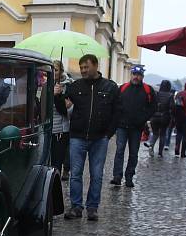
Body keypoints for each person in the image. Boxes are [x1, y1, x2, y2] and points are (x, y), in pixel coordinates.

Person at [55, 54, 120, 221]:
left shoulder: (110, 87)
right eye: (81, 67)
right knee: (75, 173)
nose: (83, 70)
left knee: (96, 174)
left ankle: (92, 207)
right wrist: (57, 96)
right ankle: (76, 206)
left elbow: (117, 112)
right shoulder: (75, 86)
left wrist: (108, 134)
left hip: (99, 138)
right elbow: (64, 109)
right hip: (77, 136)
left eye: (86, 67)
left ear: (96, 66)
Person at [111, 66, 156, 187]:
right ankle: (117, 176)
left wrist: (143, 118)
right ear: (131, 75)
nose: (136, 77)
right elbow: (115, 104)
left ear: (142, 76)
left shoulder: (148, 90)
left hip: (137, 128)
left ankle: (129, 177)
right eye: (134, 74)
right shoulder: (123, 88)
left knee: (133, 153)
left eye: (139, 74)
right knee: (119, 150)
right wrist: (118, 118)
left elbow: (153, 107)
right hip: (122, 126)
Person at [51, 60, 72, 175]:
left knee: (57, 161)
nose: (53, 72)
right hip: (48, 128)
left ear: (62, 71)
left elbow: (65, 110)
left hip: (61, 130)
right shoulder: (47, 84)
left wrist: (58, 96)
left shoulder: (68, 86)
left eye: (56, 69)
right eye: (52, 69)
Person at [145, 80, 175, 156]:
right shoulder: (170, 95)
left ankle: (151, 145)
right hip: (165, 117)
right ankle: (160, 152)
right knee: (163, 134)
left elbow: (151, 104)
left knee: (155, 133)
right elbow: (172, 107)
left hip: (154, 117)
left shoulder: (156, 94)